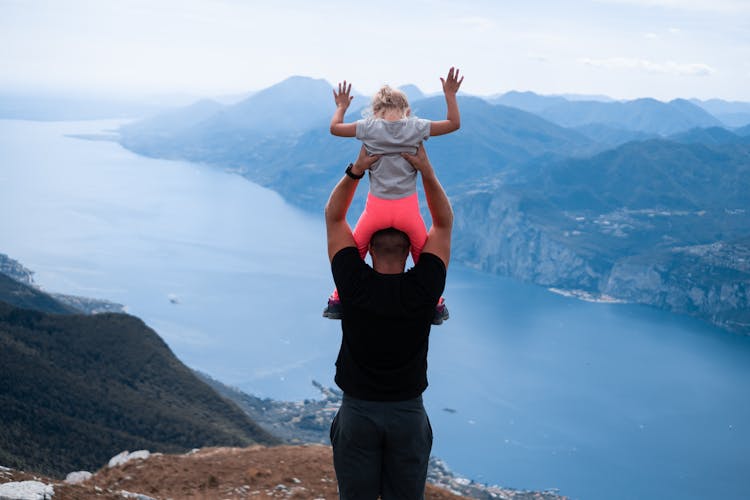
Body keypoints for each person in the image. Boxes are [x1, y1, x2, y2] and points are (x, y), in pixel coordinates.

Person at [325, 142, 453, 499]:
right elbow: (444, 223)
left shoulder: (352, 284)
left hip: (357, 415)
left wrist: (357, 170)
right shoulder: (424, 288)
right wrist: (425, 171)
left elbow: (334, 217)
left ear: (369, 248)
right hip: (408, 416)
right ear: (411, 249)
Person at [323, 68, 463, 324]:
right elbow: (454, 124)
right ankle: (436, 302)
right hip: (407, 212)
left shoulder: (369, 128)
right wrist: (450, 95)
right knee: (425, 255)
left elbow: (334, 128)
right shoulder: (416, 127)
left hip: (375, 211)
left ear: (375, 111)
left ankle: (336, 298)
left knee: (355, 251)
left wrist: (341, 106)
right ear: (407, 110)